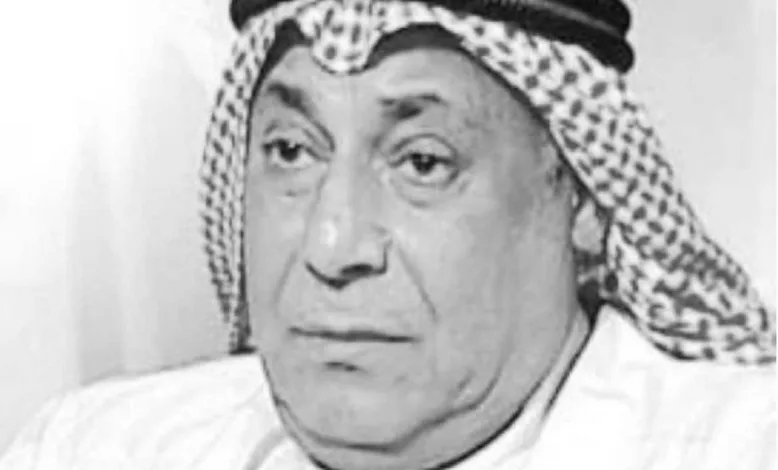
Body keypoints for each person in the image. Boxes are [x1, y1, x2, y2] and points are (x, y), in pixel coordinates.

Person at [1, 0, 775, 469]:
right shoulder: (90, 449)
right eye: (291, 152)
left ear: (585, 198)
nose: (332, 245)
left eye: (422, 162)